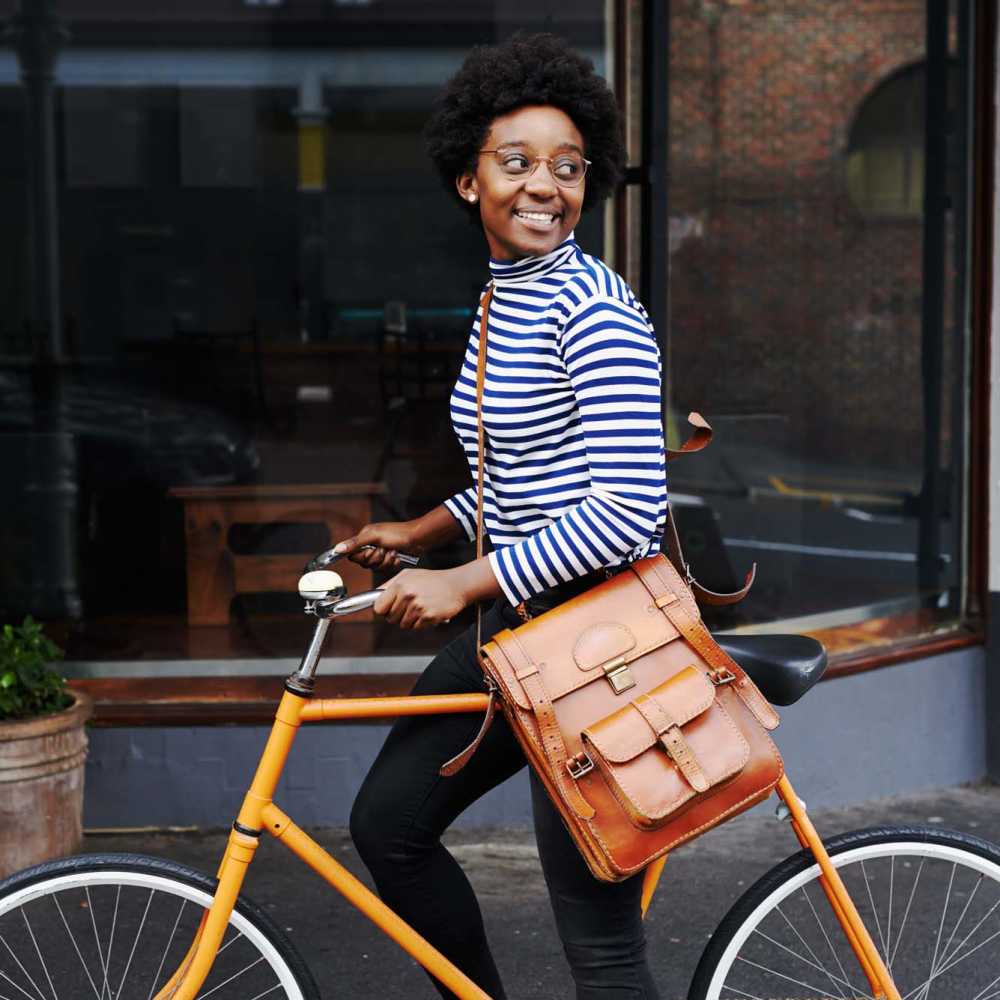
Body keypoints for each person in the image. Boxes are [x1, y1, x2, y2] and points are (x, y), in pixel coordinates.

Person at [335, 33, 667, 999]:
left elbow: (623, 512)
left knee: (600, 941)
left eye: (567, 168)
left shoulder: (592, 307)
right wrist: (424, 532)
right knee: (389, 828)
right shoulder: (504, 301)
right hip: (510, 626)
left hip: (595, 644)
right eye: (515, 162)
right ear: (466, 181)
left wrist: (460, 580)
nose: (544, 187)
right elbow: (529, 475)